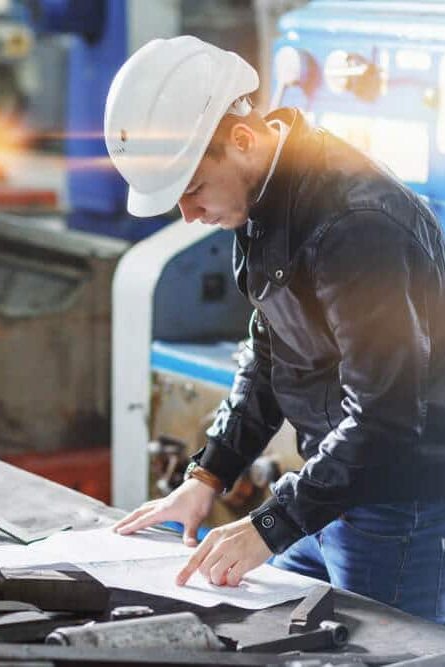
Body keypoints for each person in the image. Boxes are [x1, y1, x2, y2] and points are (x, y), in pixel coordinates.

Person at [104, 35, 445, 623]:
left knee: (374, 656)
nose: (187, 215)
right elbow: (269, 351)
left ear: (240, 141)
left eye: (191, 189)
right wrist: (207, 475)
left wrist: (270, 523)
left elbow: (387, 415)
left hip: (390, 500)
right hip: (327, 490)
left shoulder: (354, 224)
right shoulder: (265, 199)